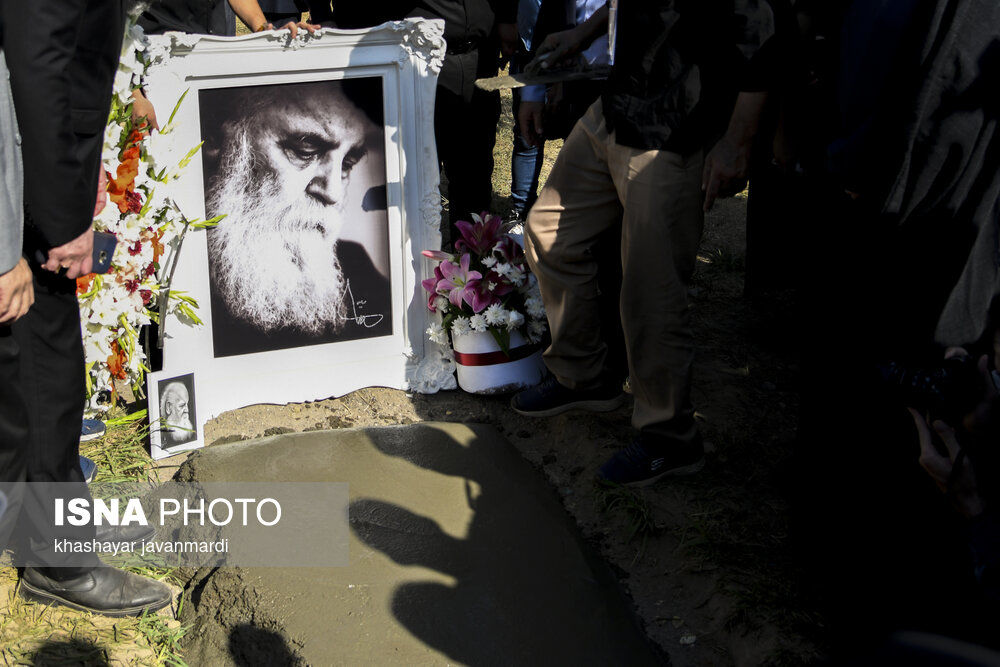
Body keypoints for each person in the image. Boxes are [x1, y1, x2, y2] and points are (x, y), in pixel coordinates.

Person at [511, 1, 779, 486]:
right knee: (549, 230)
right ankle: (584, 375)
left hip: (673, 129)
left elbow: (761, 45)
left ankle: (669, 436)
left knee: (650, 291)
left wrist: (737, 143)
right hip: (616, 105)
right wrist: (583, 33)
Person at [0, 0, 171, 615]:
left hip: (44, 176)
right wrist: (59, 218)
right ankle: (58, 557)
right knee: (49, 371)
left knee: (43, 369)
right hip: (32, 186)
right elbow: (36, 62)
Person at [201, 79, 392, 357]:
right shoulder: (172, 271)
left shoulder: (357, 268)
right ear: (216, 139)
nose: (333, 192)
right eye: (306, 150)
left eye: (347, 164)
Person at [330, 1, 518, 242]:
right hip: (411, 64)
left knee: (475, 176)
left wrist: (507, 16)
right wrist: (324, 16)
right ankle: (415, 272)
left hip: (479, 60)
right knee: (411, 180)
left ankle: (475, 270)